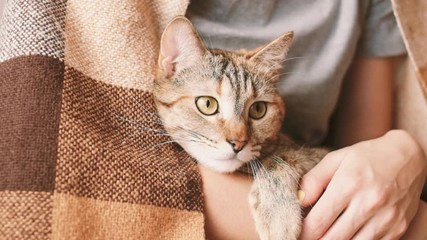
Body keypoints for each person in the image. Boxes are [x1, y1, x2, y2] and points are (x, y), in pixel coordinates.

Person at [185, 0, 427, 239]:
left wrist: (405, 150)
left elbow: (360, 161)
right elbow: (148, 180)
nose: (237, 137)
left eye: (257, 110)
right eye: (209, 105)